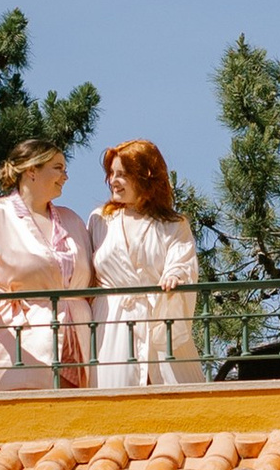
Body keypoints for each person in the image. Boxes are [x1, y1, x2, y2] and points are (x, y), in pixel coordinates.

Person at [0, 140, 94, 392]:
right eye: (58, 168)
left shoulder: (72, 220)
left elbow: (93, 282)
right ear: (31, 171)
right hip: (17, 344)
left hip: (76, 342)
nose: (66, 176)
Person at [87, 138, 204, 390]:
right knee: (114, 397)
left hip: (161, 315)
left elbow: (182, 261)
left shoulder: (174, 224)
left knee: (177, 398)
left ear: (146, 178)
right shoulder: (99, 220)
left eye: (122, 175)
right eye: (111, 174)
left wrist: (174, 275)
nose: (113, 181)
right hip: (113, 321)